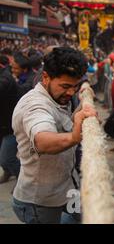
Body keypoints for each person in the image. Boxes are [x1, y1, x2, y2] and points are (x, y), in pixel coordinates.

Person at [11, 47, 96, 224]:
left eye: (75, 86)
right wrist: (75, 137)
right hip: (41, 202)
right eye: (65, 86)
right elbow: (43, 141)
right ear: (45, 77)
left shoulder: (56, 97)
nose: (71, 93)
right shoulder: (34, 106)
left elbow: (62, 124)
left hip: (68, 187)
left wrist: (83, 109)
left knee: (81, 217)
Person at [0, 54, 19, 184]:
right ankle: (7, 172)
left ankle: (23, 181)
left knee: (8, 157)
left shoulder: (6, 78)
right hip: (3, 123)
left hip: (8, 125)